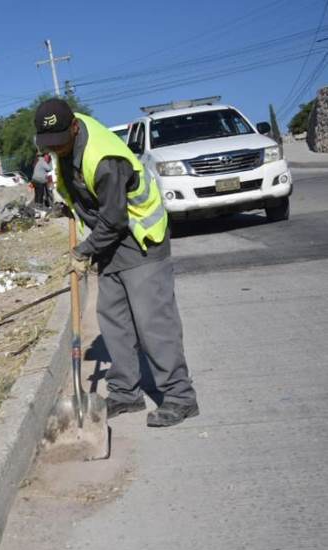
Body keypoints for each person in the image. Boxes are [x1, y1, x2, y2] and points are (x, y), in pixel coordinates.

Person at [34, 98, 199, 428]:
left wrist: (83, 251)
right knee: (113, 320)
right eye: (49, 144)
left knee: (153, 323)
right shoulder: (64, 144)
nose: (56, 149)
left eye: (60, 142)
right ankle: (125, 393)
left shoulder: (105, 159)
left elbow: (115, 219)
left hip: (141, 240)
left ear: (74, 128)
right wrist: (71, 207)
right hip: (109, 244)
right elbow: (83, 194)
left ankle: (180, 397)